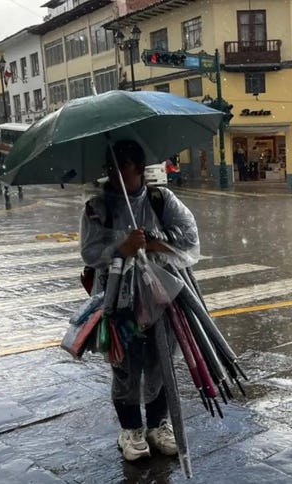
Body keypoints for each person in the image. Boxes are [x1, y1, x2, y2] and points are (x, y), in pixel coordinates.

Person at [80, 139, 200, 462]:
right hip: (118, 301)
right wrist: (122, 247)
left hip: (160, 297)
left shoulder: (162, 200)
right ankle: (131, 429)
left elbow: (189, 238)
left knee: (160, 360)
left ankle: (158, 424)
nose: (115, 174)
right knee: (125, 365)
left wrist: (156, 241)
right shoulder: (97, 207)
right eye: (111, 167)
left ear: (139, 168)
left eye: (122, 167)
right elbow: (90, 252)